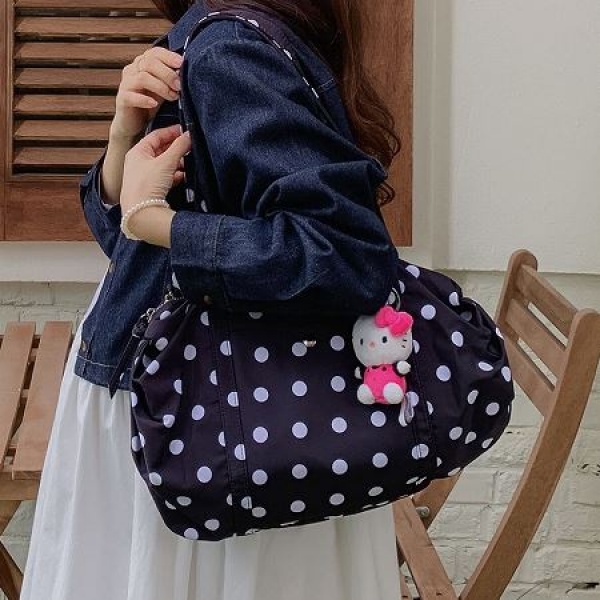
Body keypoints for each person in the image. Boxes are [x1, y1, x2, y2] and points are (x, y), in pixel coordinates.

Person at [20, 1, 403, 598]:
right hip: (236, 414)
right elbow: (135, 249)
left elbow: (343, 254)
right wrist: (124, 137)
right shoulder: (219, 34)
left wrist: (159, 223)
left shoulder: (230, 48)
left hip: (198, 419)